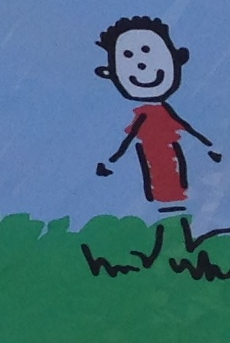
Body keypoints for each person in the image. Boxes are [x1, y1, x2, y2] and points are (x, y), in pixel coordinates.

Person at [90, 14, 220, 211]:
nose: (142, 65)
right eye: (128, 56)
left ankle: (173, 207)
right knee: (161, 186)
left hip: (172, 155)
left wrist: (209, 147)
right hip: (153, 157)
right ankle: (168, 208)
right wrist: (111, 161)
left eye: (147, 51)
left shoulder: (163, 111)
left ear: (177, 58)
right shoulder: (145, 114)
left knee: (176, 186)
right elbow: (128, 140)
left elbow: (186, 128)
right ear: (110, 72)